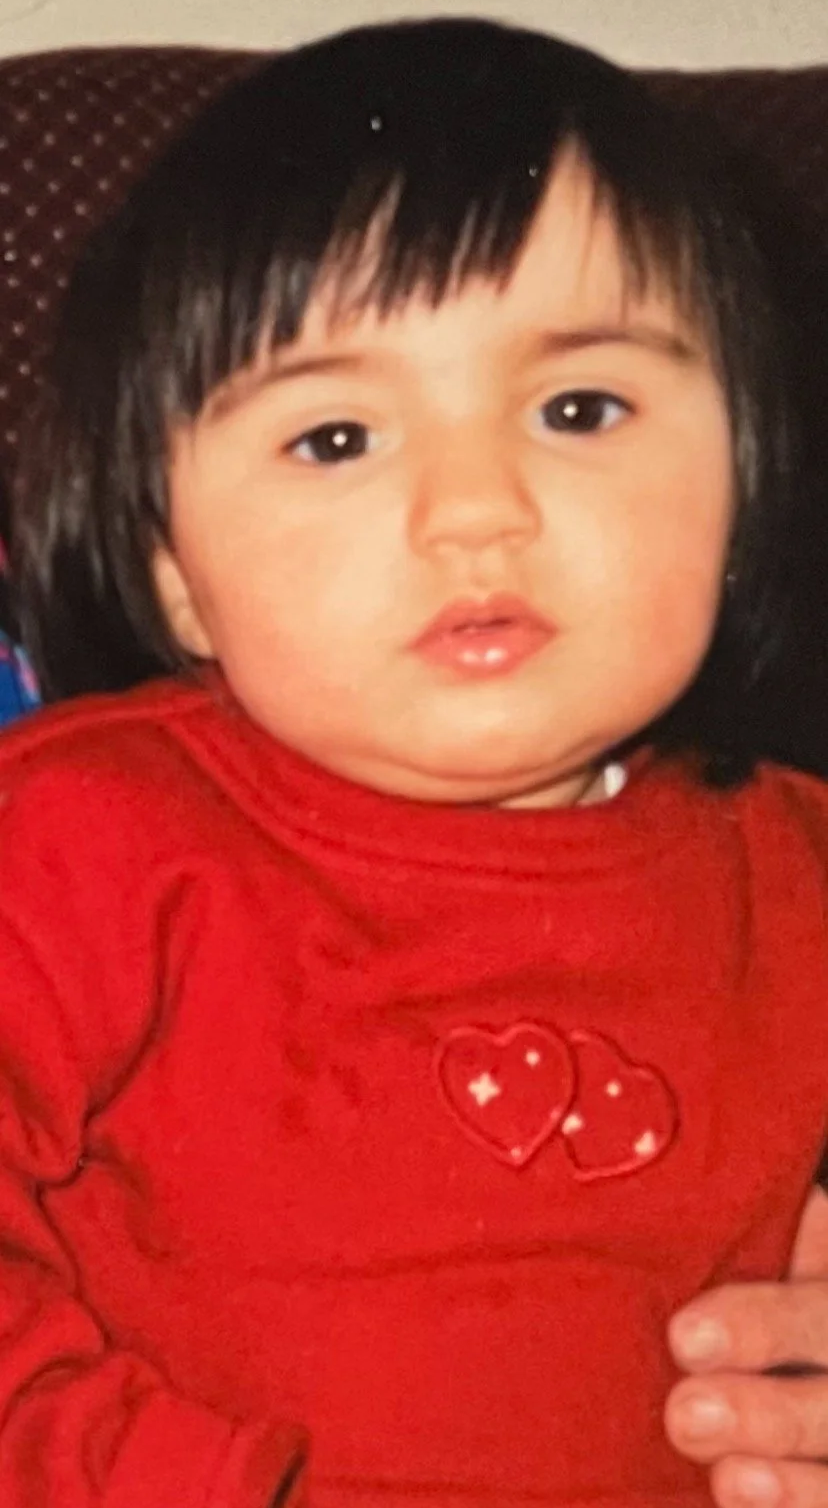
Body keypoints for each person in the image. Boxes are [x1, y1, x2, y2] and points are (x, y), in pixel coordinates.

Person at [4, 16, 828, 1507]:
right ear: (176, 576)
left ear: (749, 473)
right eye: (334, 437)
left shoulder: (802, 875)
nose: (476, 509)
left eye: (580, 409)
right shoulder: (74, 844)